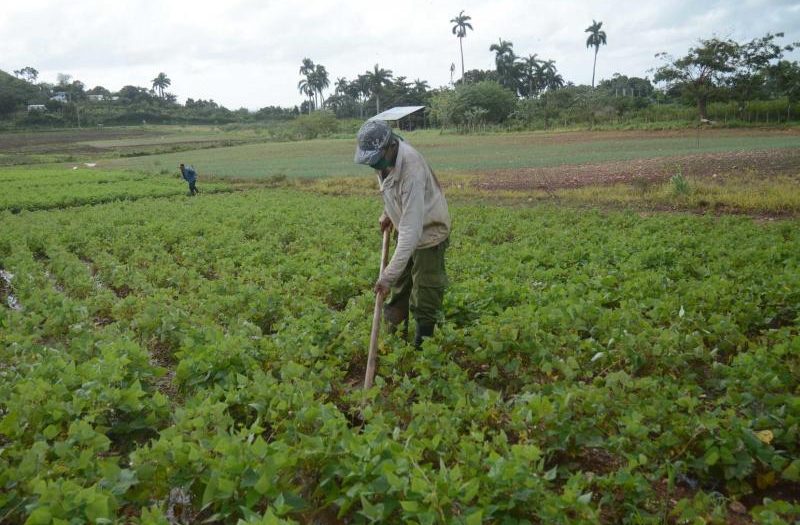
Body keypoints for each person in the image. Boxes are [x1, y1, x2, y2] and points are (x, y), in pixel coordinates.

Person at [354, 120, 451, 347]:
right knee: (400, 288)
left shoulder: (412, 169)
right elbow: (392, 189)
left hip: (428, 232)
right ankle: (395, 343)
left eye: (375, 159)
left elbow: (411, 231)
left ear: (390, 147)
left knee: (425, 292)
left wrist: (386, 276)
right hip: (408, 226)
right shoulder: (384, 160)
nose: (373, 165)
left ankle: (421, 348)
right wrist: (388, 212)